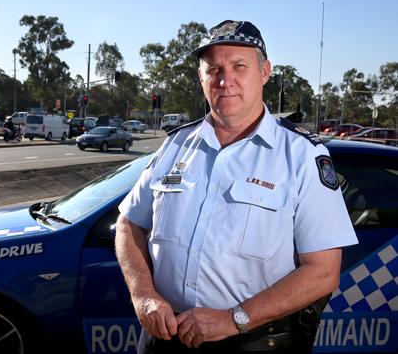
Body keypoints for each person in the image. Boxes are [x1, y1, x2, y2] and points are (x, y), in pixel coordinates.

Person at [115, 20, 358, 353]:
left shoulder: (301, 155)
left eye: (238, 66)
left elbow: (323, 271)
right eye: (213, 69)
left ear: (264, 72)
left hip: (252, 341)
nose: (224, 80)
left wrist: (234, 319)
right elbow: (129, 223)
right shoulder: (174, 146)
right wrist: (143, 295)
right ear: (201, 78)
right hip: (164, 339)